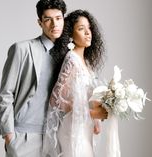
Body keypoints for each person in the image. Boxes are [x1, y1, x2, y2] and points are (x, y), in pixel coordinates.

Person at [0, 0, 67, 156]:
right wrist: (9, 134)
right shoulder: (22, 49)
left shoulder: (68, 56)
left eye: (58, 18)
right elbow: (6, 93)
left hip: (55, 136)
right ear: (40, 22)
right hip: (24, 136)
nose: (54, 24)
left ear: (64, 19)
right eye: (48, 19)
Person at [43, 9, 107, 157]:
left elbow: (87, 97)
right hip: (72, 129)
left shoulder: (86, 63)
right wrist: (88, 112)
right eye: (81, 28)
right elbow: (55, 100)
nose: (87, 32)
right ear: (71, 35)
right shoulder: (71, 59)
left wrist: (97, 116)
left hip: (84, 127)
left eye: (89, 28)